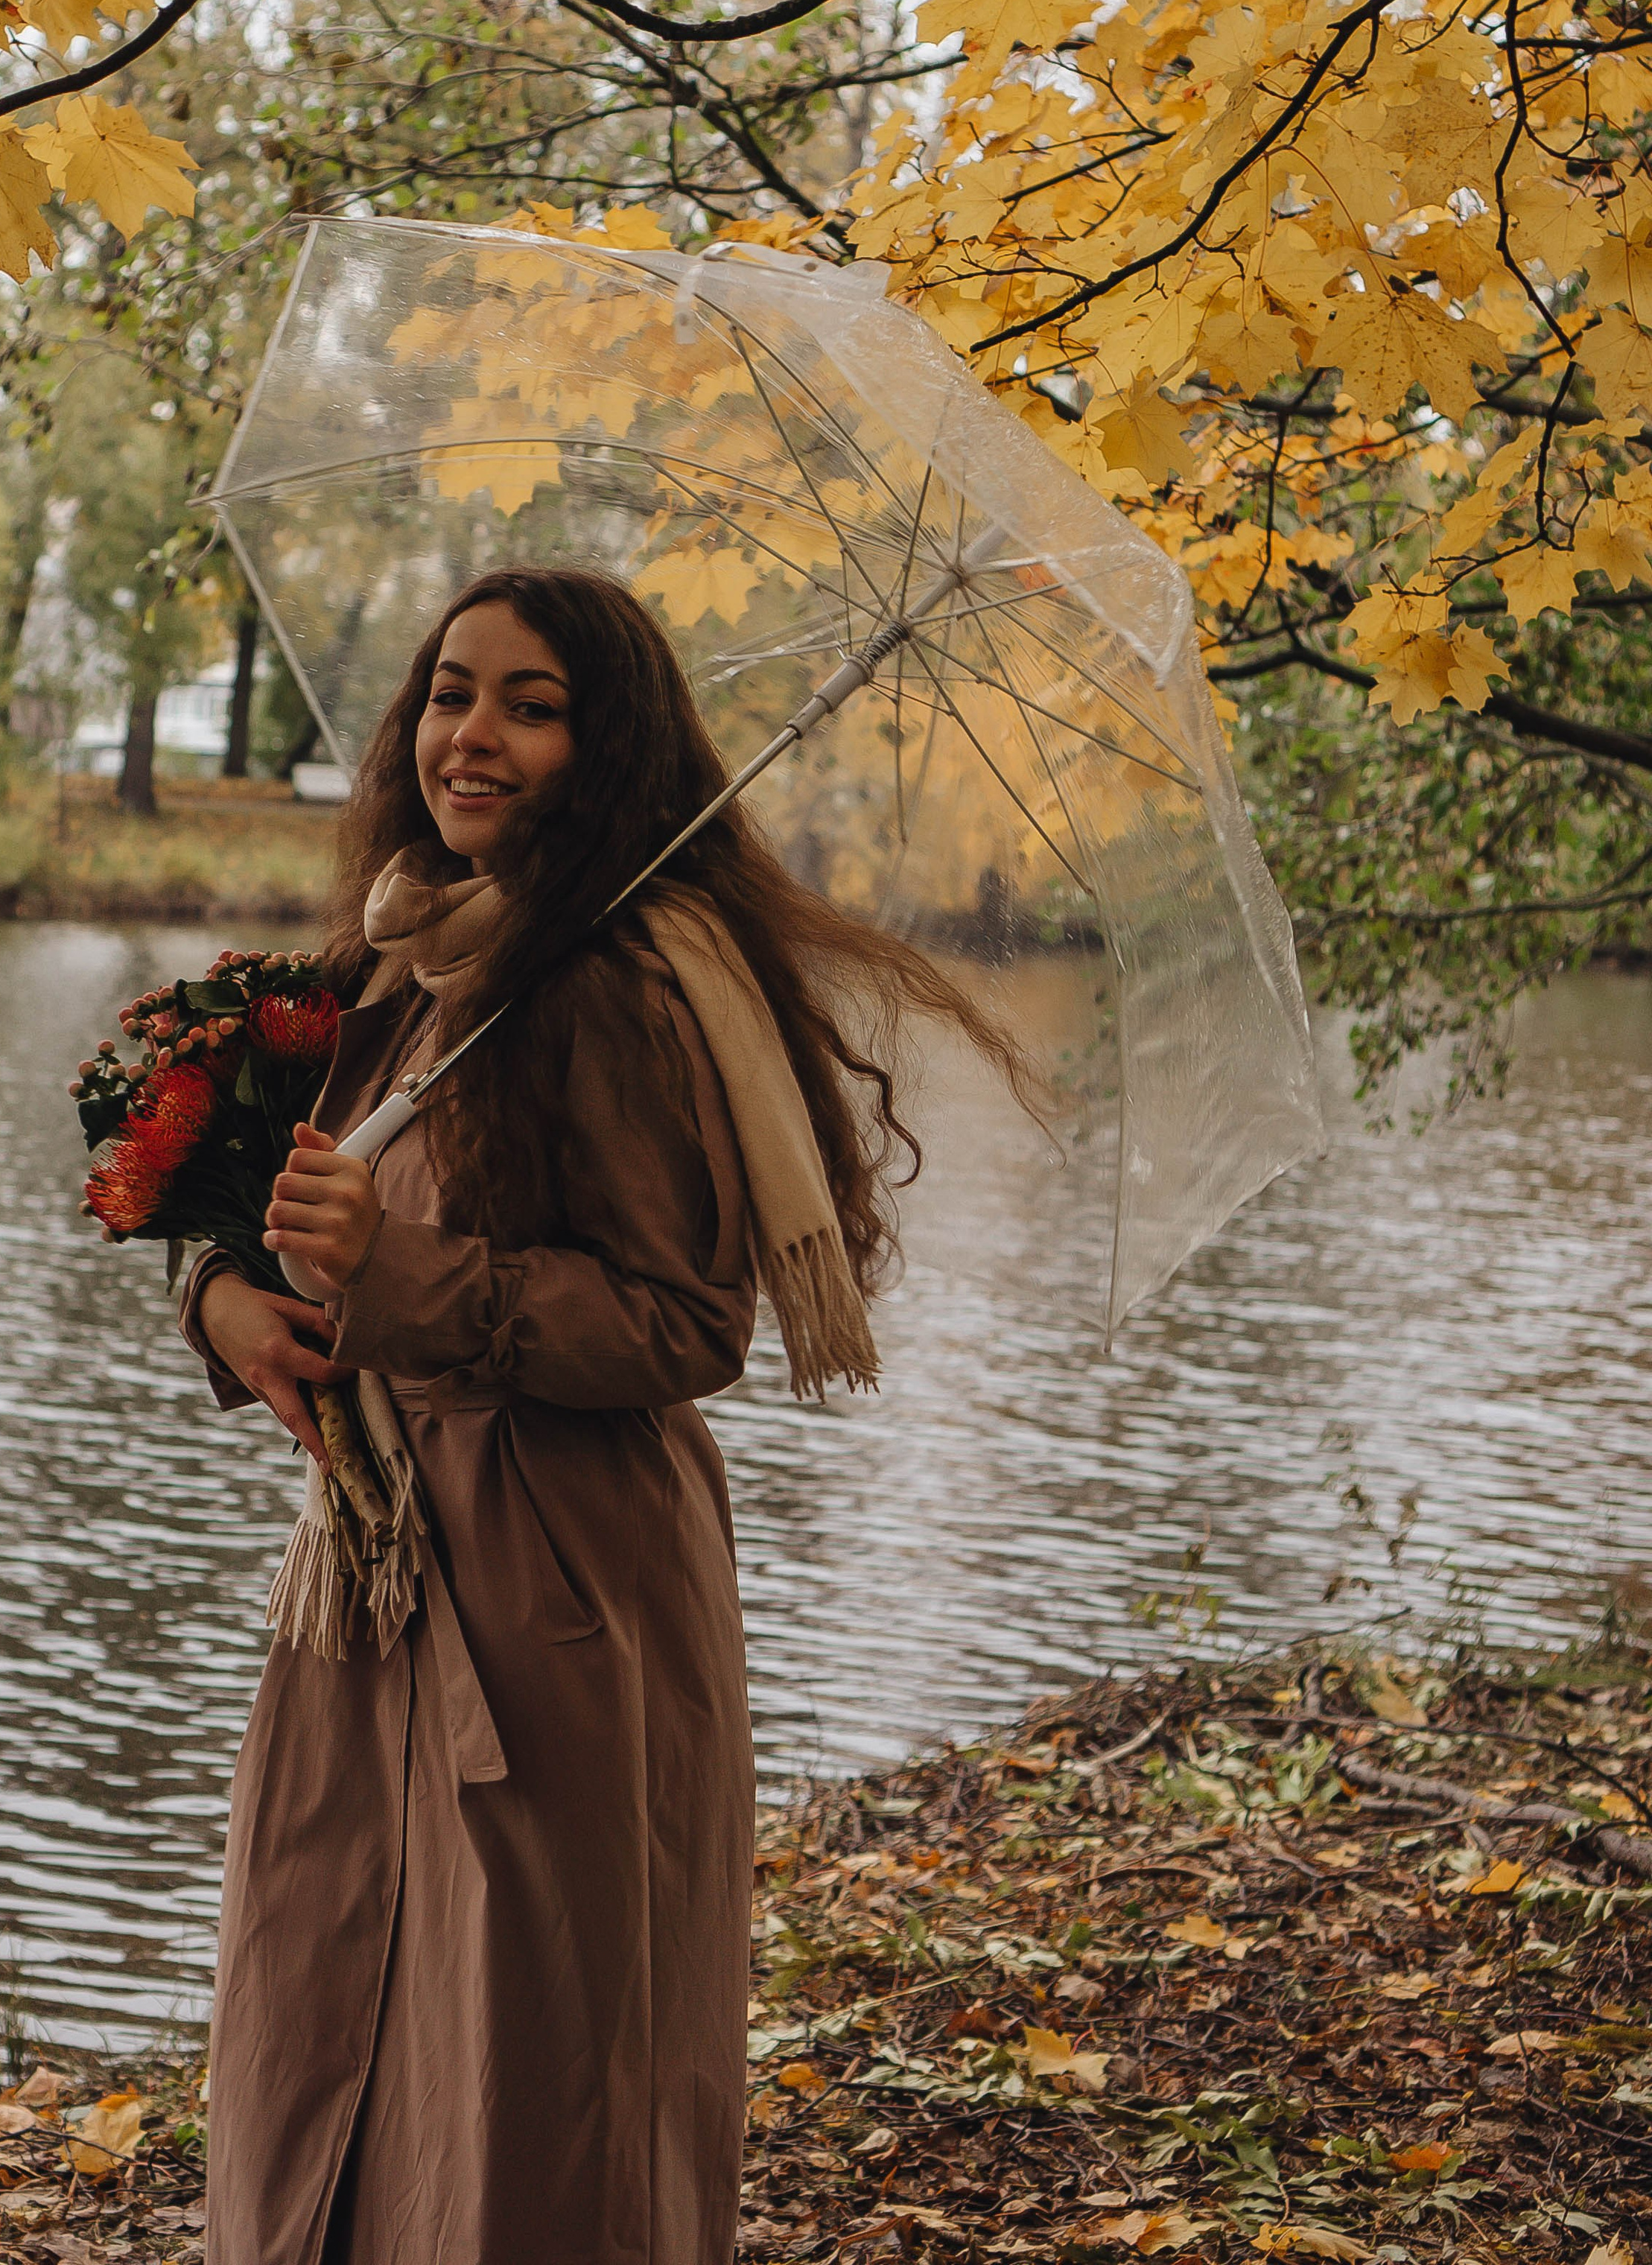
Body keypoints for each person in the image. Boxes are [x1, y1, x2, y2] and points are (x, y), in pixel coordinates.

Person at [180, 565, 1041, 2265]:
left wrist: (401, 1278)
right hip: (372, 1584)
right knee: (316, 2004)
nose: (469, 732)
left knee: (538, 2071)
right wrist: (224, 1301)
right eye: (447, 691)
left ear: (609, 745)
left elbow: (678, 1321)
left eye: (528, 702)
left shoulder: (623, 987)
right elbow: (266, 1216)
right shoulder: (400, 962)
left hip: (560, 1601)